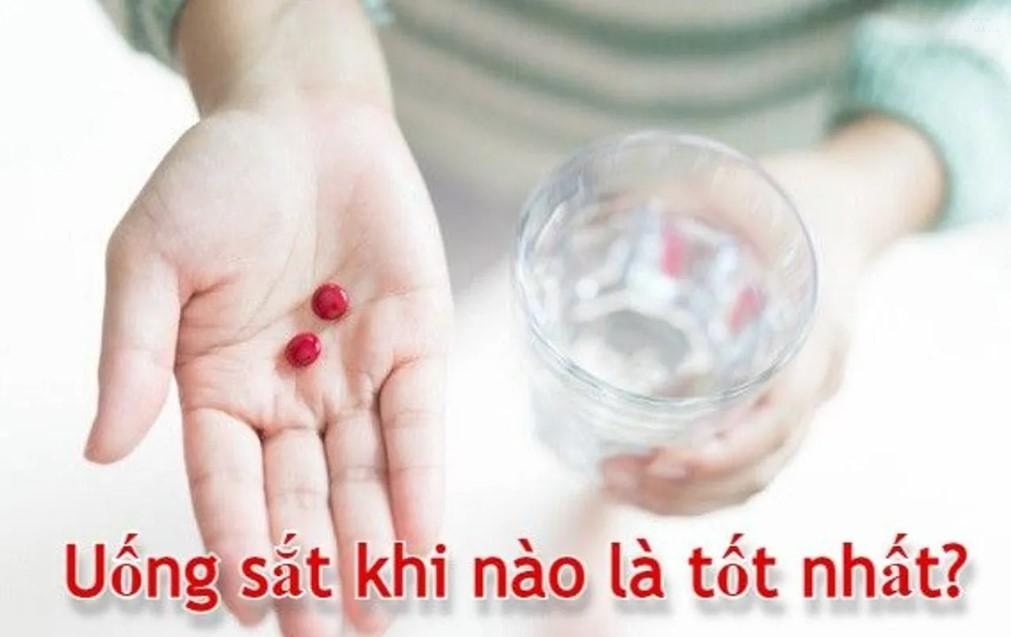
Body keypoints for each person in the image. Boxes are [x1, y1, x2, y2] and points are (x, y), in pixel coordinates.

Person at [88, 0, 1011, 635]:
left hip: (729, 182)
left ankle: (613, 492)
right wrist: (281, 58)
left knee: (661, 404)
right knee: (389, 332)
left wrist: (868, 184)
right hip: (391, 128)